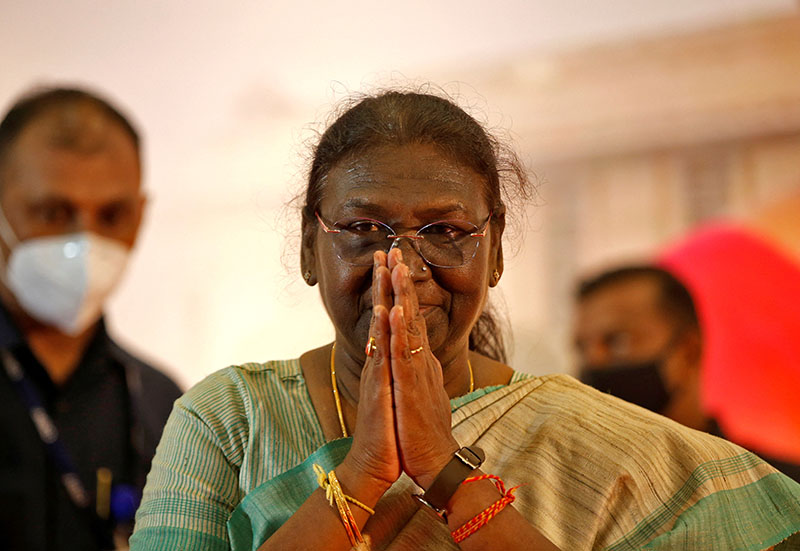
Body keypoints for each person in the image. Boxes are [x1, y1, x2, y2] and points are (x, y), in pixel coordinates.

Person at [131, 89, 800, 551]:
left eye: (446, 230)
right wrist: (364, 474)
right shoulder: (226, 420)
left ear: (497, 249)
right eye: (363, 227)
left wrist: (445, 472)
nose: (402, 265)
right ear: (311, 247)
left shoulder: (596, 444)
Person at [0, 87, 183, 551]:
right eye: (53, 212)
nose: (85, 242)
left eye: (112, 214)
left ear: (140, 217)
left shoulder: (164, 406)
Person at [573, 264, 800, 482]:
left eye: (617, 342)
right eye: (582, 348)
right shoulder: (569, 501)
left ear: (689, 352)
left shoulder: (782, 493)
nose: (594, 362)